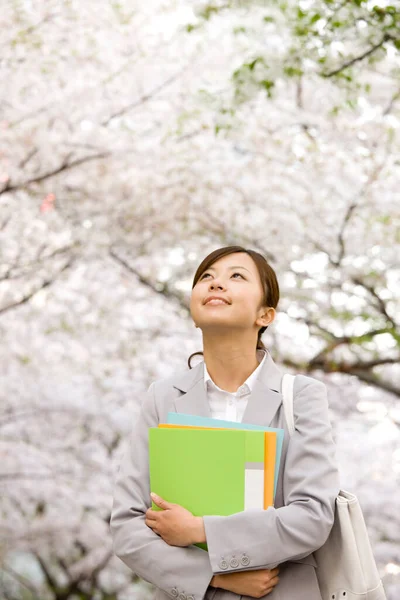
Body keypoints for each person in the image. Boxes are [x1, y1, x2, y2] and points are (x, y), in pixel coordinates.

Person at [110, 245, 341, 600]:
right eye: (206, 277)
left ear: (265, 314)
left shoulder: (303, 397)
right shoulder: (162, 397)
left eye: (236, 276)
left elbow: (312, 517)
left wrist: (201, 531)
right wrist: (213, 577)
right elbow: (128, 525)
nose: (216, 284)